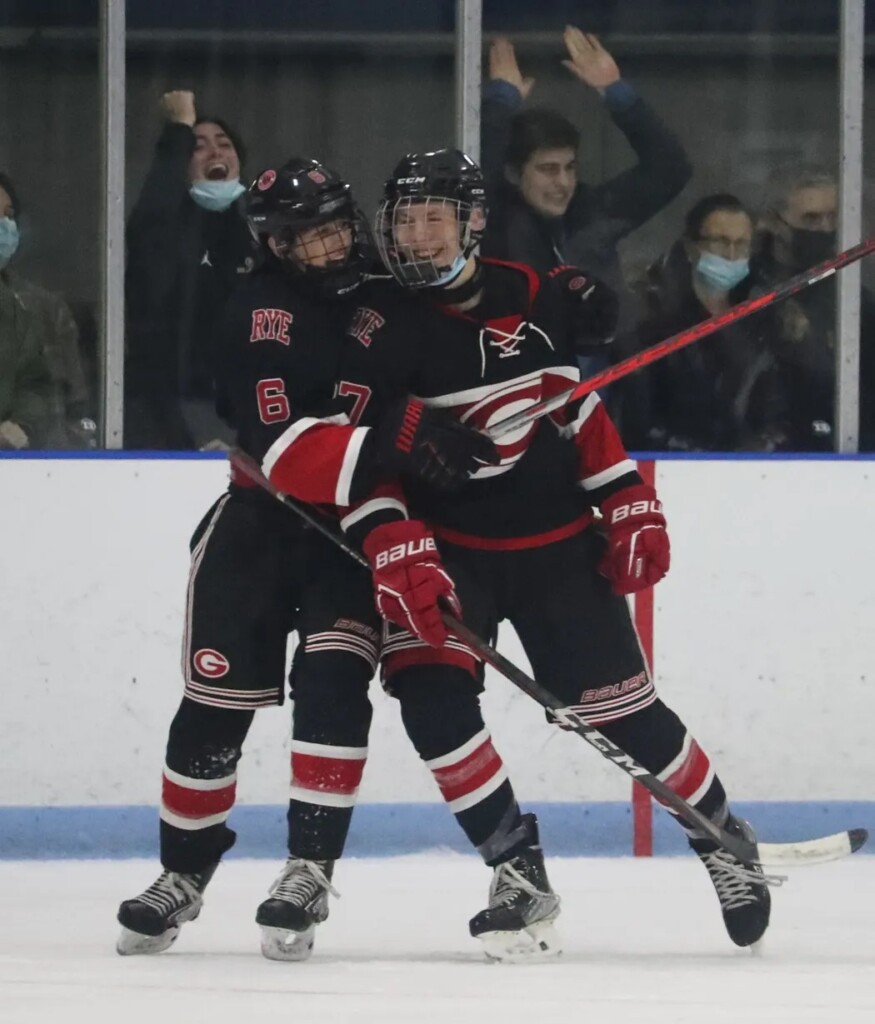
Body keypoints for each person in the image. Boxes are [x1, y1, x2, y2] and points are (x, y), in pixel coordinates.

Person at [263, 148, 777, 952]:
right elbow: (356, 454)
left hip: (555, 548)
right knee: (429, 698)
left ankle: (720, 836)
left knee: (621, 711)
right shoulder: (376, 325)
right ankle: (514, 866)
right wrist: (394, 542)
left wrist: (626, 500)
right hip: (448, 551)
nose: (416, 236)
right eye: (403, 219)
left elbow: (575, 410)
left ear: (471, 223)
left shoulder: (536, 295)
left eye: (433, 217)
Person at [115, 158, 494, 963]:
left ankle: (308, 869)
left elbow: (463, 338)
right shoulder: (260, 310)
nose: (324, 247)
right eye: (303, 237)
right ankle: (182, 871)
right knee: (215, 706)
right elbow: (282, 449)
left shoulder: (390, 301)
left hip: (354, 533)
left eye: (331, 227)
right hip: (260, 526)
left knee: (331, 686)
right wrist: (405, 435)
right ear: (274, 246)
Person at [480, 29, 692, 333]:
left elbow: (670, 169)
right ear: (513, 174)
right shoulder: (496, 223)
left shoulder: (591, 211)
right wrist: (500, 105)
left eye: (570, 167)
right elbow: (475, 183)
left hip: (610, 373)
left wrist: (615, 91)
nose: (564, 182)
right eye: (548, 169)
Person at [125, 90, 256, 450]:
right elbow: (151, 223)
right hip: (167, 417)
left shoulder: (264, 234)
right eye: (199, 146)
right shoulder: (165, 231)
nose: (216, 152)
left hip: (248, 418)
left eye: (224, 144)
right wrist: (178, 127)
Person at [617, 193, 785, 452]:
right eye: (720, 242)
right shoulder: (655, 322)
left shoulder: (761, 320)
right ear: (690, 247)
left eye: (741, 244)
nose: (731, 255)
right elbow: (640, 416)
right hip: (674, 468)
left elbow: (772, 410)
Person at [751, 164, 875, 450]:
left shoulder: (854, 300)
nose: (825, 229)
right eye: (811, 219)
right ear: (774, 221)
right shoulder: (746, 293)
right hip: (761, 455)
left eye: (833, 218)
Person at [0, 172, 96, 449]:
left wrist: (22, 424)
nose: (4, 225)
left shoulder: (23, 305)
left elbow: (39, 382)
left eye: (8, 215)